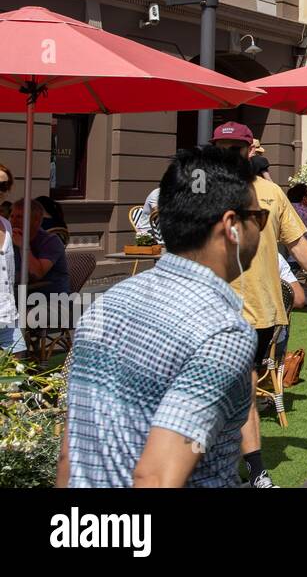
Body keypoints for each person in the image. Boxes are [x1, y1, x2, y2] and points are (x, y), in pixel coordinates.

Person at [57, 145, 261, 487]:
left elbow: (72, 453)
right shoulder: (222, 332)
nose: (262, 229)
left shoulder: (108, 303)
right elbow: (156, 477)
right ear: (232, 226)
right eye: (259, 218)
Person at [212, 121, 307, 489]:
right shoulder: (203, 191)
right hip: (215, 309)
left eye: (235, 149)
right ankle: (229, 469)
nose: (229, 156)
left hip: (260, 309)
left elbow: (297, 242)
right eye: (222, 149)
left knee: (244, 388)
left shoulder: (270, 193)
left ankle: (253, 471)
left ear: (250, 150)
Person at [12, 199, 69, 296]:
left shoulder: (51, 241)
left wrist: (23, 246)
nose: (13, 221)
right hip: (20, 293)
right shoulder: (10, 238)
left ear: (36, 220)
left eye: (19, 217)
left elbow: (36, 274)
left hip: (50, 299)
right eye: (12, 216)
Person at [0, 162, 23, 358]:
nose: (0, 191)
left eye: (4, 186)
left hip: (7, 315)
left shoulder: (6, 225)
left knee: (19, 369)